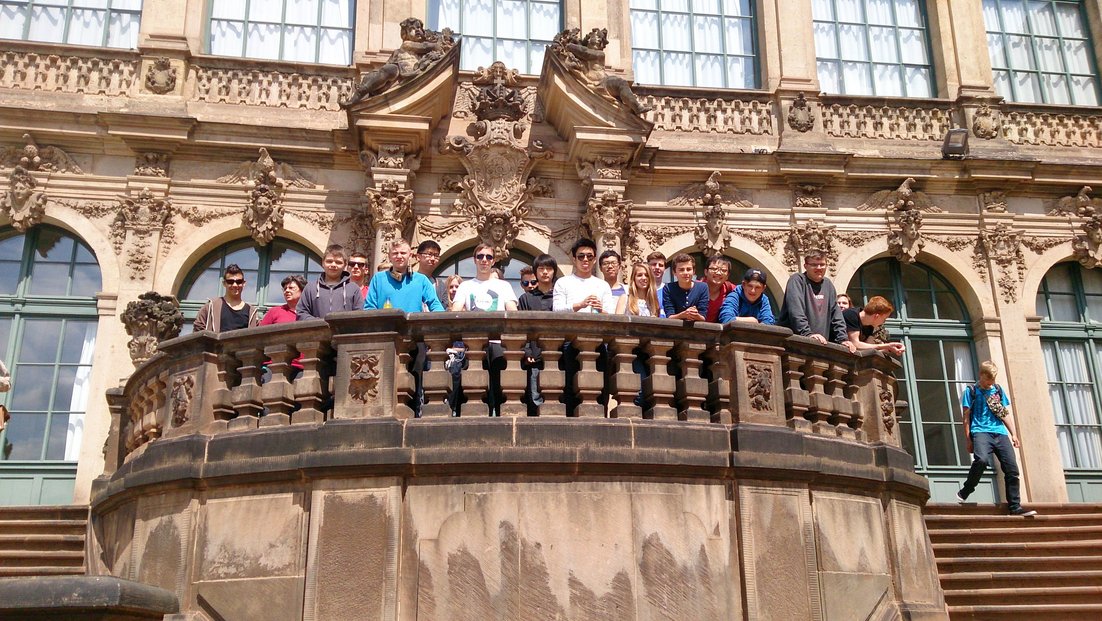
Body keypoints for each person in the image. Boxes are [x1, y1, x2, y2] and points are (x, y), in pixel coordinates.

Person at [957, 361, 1038, 517]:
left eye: (993, 380)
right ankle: (967, 488)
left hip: (1000, 433)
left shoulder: (997, 390)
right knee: (981, 460)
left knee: (1012, 469)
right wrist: (968, 439)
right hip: (980, 431)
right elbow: (966, 417)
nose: (991, 383)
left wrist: (1013, 434)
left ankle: (1015, 507)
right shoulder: (971, 391)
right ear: (981, 375)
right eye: (988, 380)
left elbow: (1004, 413)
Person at [451, 244, 518, 415]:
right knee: (474, 388)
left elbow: (513, 312)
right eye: (480, 256)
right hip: (473, 344)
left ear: (493, 260)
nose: (484, 260)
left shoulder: (504, 286)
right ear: (475, 260)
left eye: (488, 257)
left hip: (498, 343)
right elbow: (455, 311)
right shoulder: (465, 287)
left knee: (499, 389)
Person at [777, 251, 856, 352]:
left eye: (822, 264)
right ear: (805, 266)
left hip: (820, 347)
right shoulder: (797, 280)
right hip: (795, 346)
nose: (819, 268)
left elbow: (836, 316)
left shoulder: (828, 285)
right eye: (814, 265)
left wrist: (843, 339)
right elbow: (796, 312)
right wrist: (807, 334)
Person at [519, 254, 557, 415]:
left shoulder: (560, 297)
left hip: (557, 352)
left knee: (557, 393)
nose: (545, 272)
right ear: (536, 272)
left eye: (549, 268)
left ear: (554, 272)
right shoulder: (525, 298)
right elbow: (521, 328)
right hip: (534, 353)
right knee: (535, 395)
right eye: (541, 269)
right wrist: (526, 350)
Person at [363, 240, 445, 313]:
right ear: (389, 256)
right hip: (385, 329)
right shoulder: (378, 279)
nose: (399, 256)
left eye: (403, 253)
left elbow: (436, 306)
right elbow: (369, 308)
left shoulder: (421, 280)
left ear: (410, 256)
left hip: (412, 329)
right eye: (395, 253)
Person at [259, 275, 307, 384]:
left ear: (303, 291)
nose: (287, 291)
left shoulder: (310, 314)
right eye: (285, 289)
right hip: (275, 364)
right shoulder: (275, 312)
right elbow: (259, 337)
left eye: (291, 288)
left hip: (301, 366)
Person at [297, 245, 364, 320]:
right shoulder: (310, 288)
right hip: (318, 330)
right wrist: (320, 323)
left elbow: (359, 315)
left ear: (345, 265)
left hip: (345, 331)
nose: (333, 265)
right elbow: (301, 313)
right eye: (329, 261)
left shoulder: (353, 289)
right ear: (323, 263)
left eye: (338, 262)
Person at [553, 238, 615, 314]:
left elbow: (611, 313)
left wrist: (600, 310)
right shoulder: (562, 282)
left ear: (595, 260)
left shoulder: (603, 285)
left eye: (589, 256)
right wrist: (580, 305)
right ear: (574, 259)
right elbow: (556, 309)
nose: (585, 259)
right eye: (581, 256)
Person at [194, 264, 260, 332]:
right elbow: (198, 331)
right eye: (230, 282)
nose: (235, 285)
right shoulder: (211, 307)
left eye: (238, 282)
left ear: (244, 283)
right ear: (224, 283)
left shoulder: (251, 312)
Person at [661, 253, 708, 321]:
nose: (686, 273)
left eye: (688, 269)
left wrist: (694, 314)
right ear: (674, 272)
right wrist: (684, 315)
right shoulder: (668, 288)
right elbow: (669, 316)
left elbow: (703, 317)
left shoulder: (703, 287)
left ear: (694, 271)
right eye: (681, 270)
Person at [702, 255, 737, 322]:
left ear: (727, 276)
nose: (718, 273)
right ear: (706, 272)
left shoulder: (730, 289)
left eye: (723, 270)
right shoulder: (695, 287)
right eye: (714, 269)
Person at [415, 240, 447, 307]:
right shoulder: (408, 280)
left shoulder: (441, 285)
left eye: (436, 255)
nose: (432, 259)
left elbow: (445, 308)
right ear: (418, 257)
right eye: (429, 254)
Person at [647, 251, 668, 317]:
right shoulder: (641, 290)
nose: (657, 267)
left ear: (665, 270)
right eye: (654, 264)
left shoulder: (669, 290)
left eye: (661, 265)